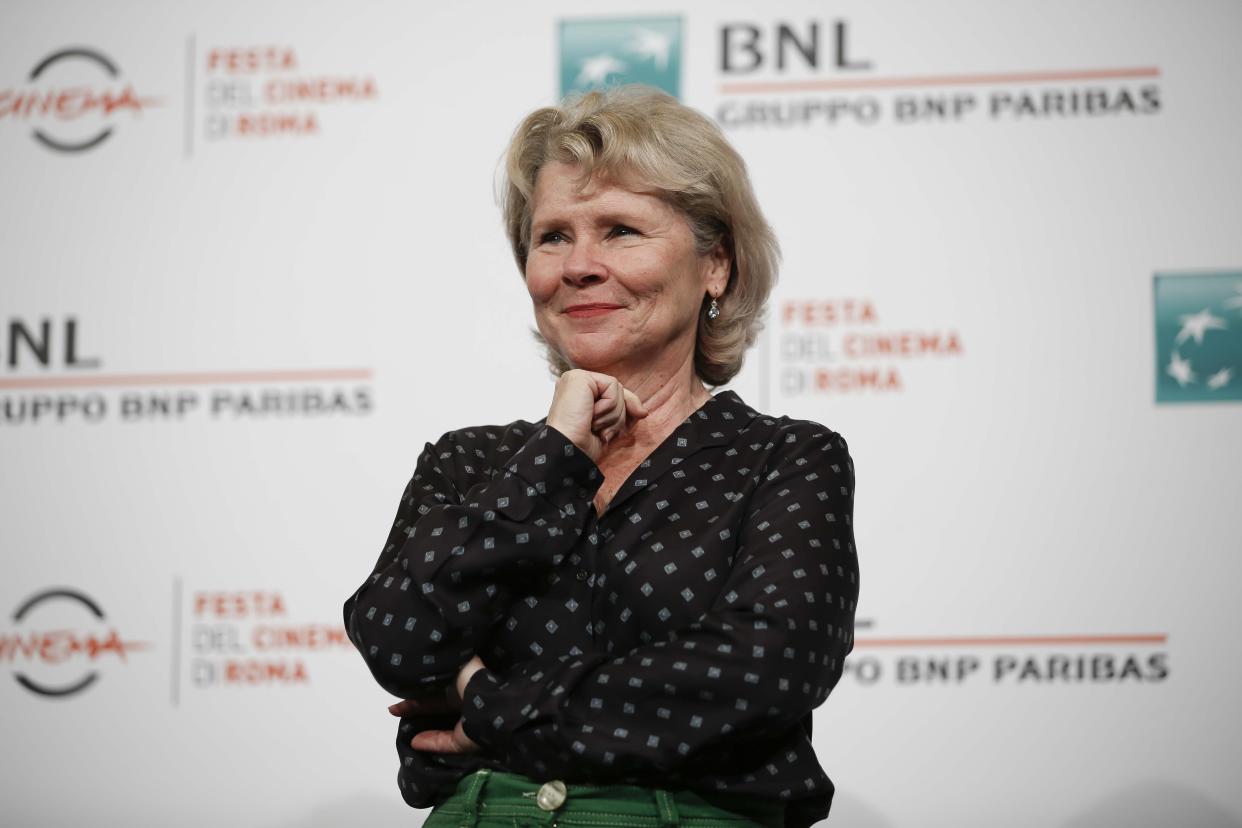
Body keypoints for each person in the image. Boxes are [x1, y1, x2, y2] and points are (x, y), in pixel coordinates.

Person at [343, 84, 859, 827]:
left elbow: (761, 674)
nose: (579, 265)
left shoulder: (785, 460)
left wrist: (488, 706)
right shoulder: (470, 462)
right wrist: (553, 457)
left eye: (620, 231)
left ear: (716, 265)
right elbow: (394, 640)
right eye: (553, 236)